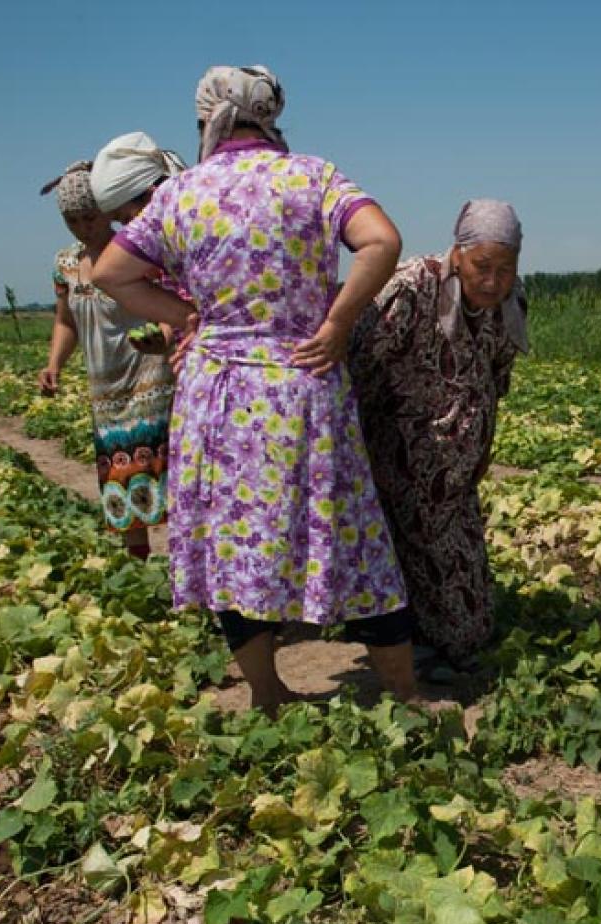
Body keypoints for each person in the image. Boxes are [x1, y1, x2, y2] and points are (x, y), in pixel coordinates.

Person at [91, 64, 418, 712]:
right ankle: (406, 695)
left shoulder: (184, 192)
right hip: (304, 380)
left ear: (206, 120)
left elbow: (111, 274)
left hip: (217, 396)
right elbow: (382, 242)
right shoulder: (313, 175)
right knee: (351, 536)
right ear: (270, 116)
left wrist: (187, 317)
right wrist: (335, 323)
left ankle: (269, 695)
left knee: (235, 548)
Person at [348, 199, 528, 675]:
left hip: (456, 469)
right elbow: (360, 366)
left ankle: (433, 634)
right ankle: (415, 643)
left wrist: (483, 447)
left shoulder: (511, 302)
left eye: (505, 269)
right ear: (458, 254)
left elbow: (496, 380)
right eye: (482, 267)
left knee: (462, 591)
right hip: (401, 456)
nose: (492, 281)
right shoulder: (412, 288)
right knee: (414, 558)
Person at [36, 161, 176, 558]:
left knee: (163, 473)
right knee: (122, 479)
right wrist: (54, 365)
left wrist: (164, 336)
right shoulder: (65, 265)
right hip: (106, 390)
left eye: (90, 217)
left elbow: (170, 301)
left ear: (106, 211)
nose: (83, 227)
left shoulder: (137, 253)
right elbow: (66, 321)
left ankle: (187, 569)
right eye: (73, 220)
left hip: (152, 378)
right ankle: (139, 565)